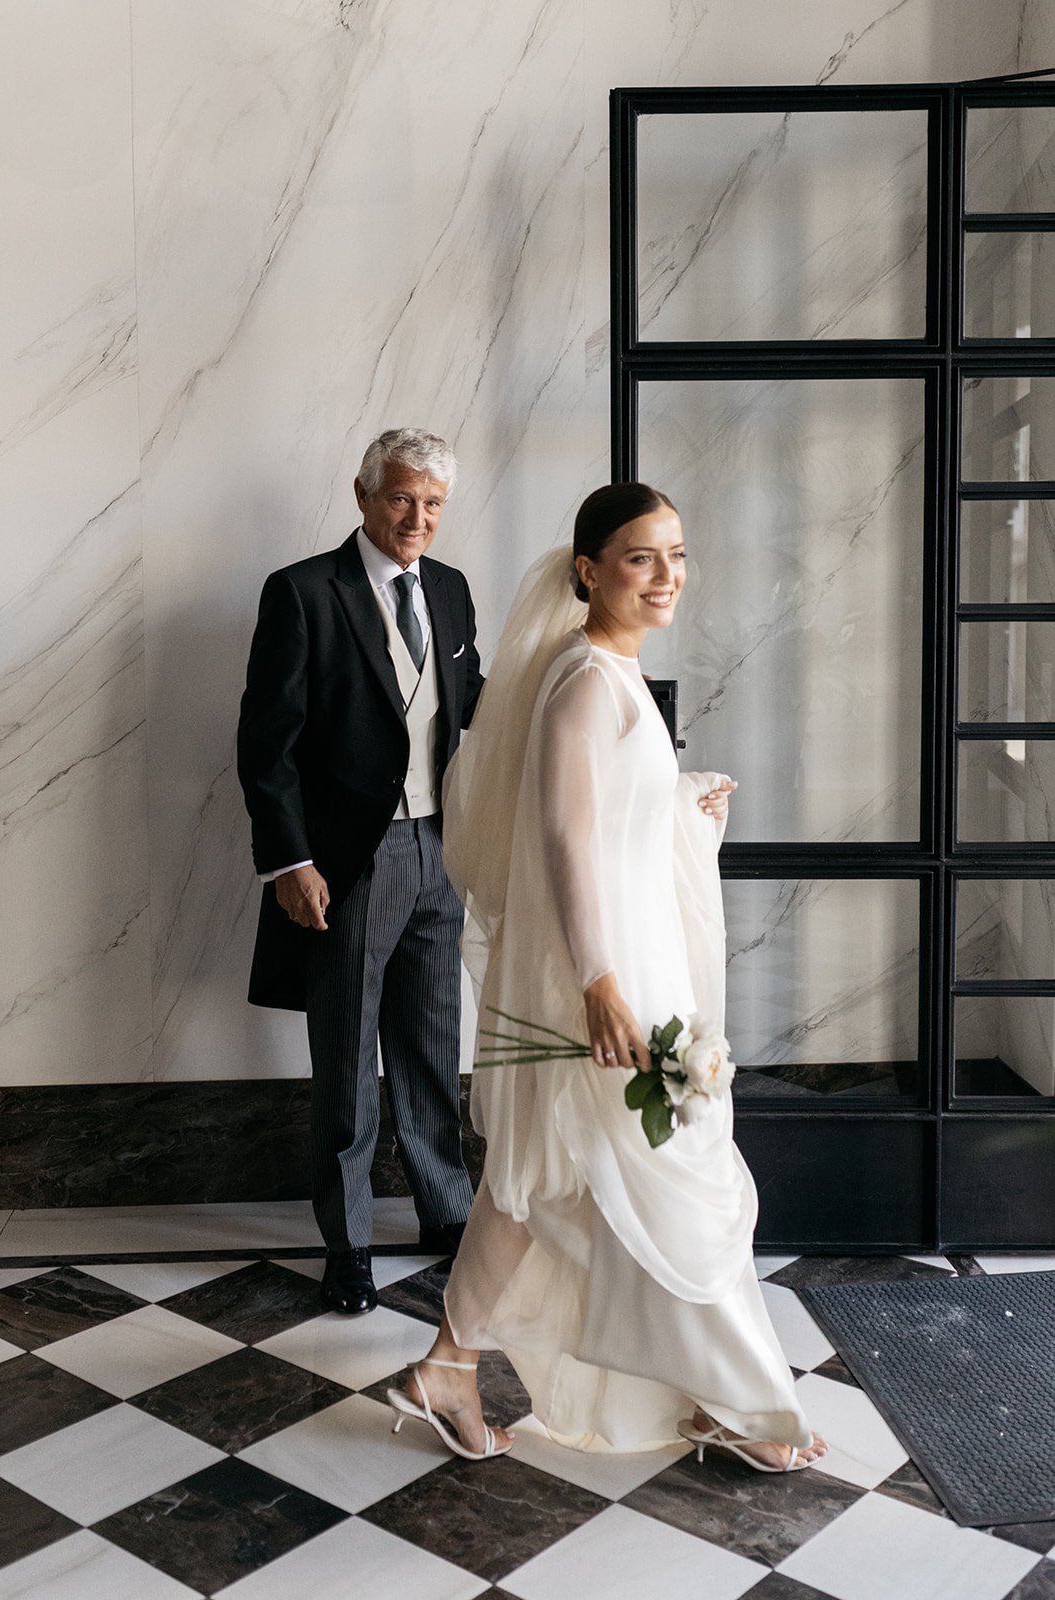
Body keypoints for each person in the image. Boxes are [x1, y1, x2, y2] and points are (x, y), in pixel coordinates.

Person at [387, 482, 827, 1471]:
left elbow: (615, 815)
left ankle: (448, 1364)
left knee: (534, 1180)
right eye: (641, 556)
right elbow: (564, 843)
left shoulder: (611, 675)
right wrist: (596, 983)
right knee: (679, 1179)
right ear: (588, 569)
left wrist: (681, 803)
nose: (667, 574)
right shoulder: (585, 679)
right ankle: (739, 1404)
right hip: (607, 979)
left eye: (675, 554)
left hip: (631, 964)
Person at [237, 428, 482, 1317]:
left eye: (432, 505)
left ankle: (445, 1215)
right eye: (401, 499)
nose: (417, 518)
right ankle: (347, 1245)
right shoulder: (303, 592)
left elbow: (471, 708)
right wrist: (290, 862)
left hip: (438, 852)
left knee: (429, 1045)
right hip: (347, 862)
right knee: (346, 1062)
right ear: (363, 495)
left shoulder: (449, 591)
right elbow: (268, 748)